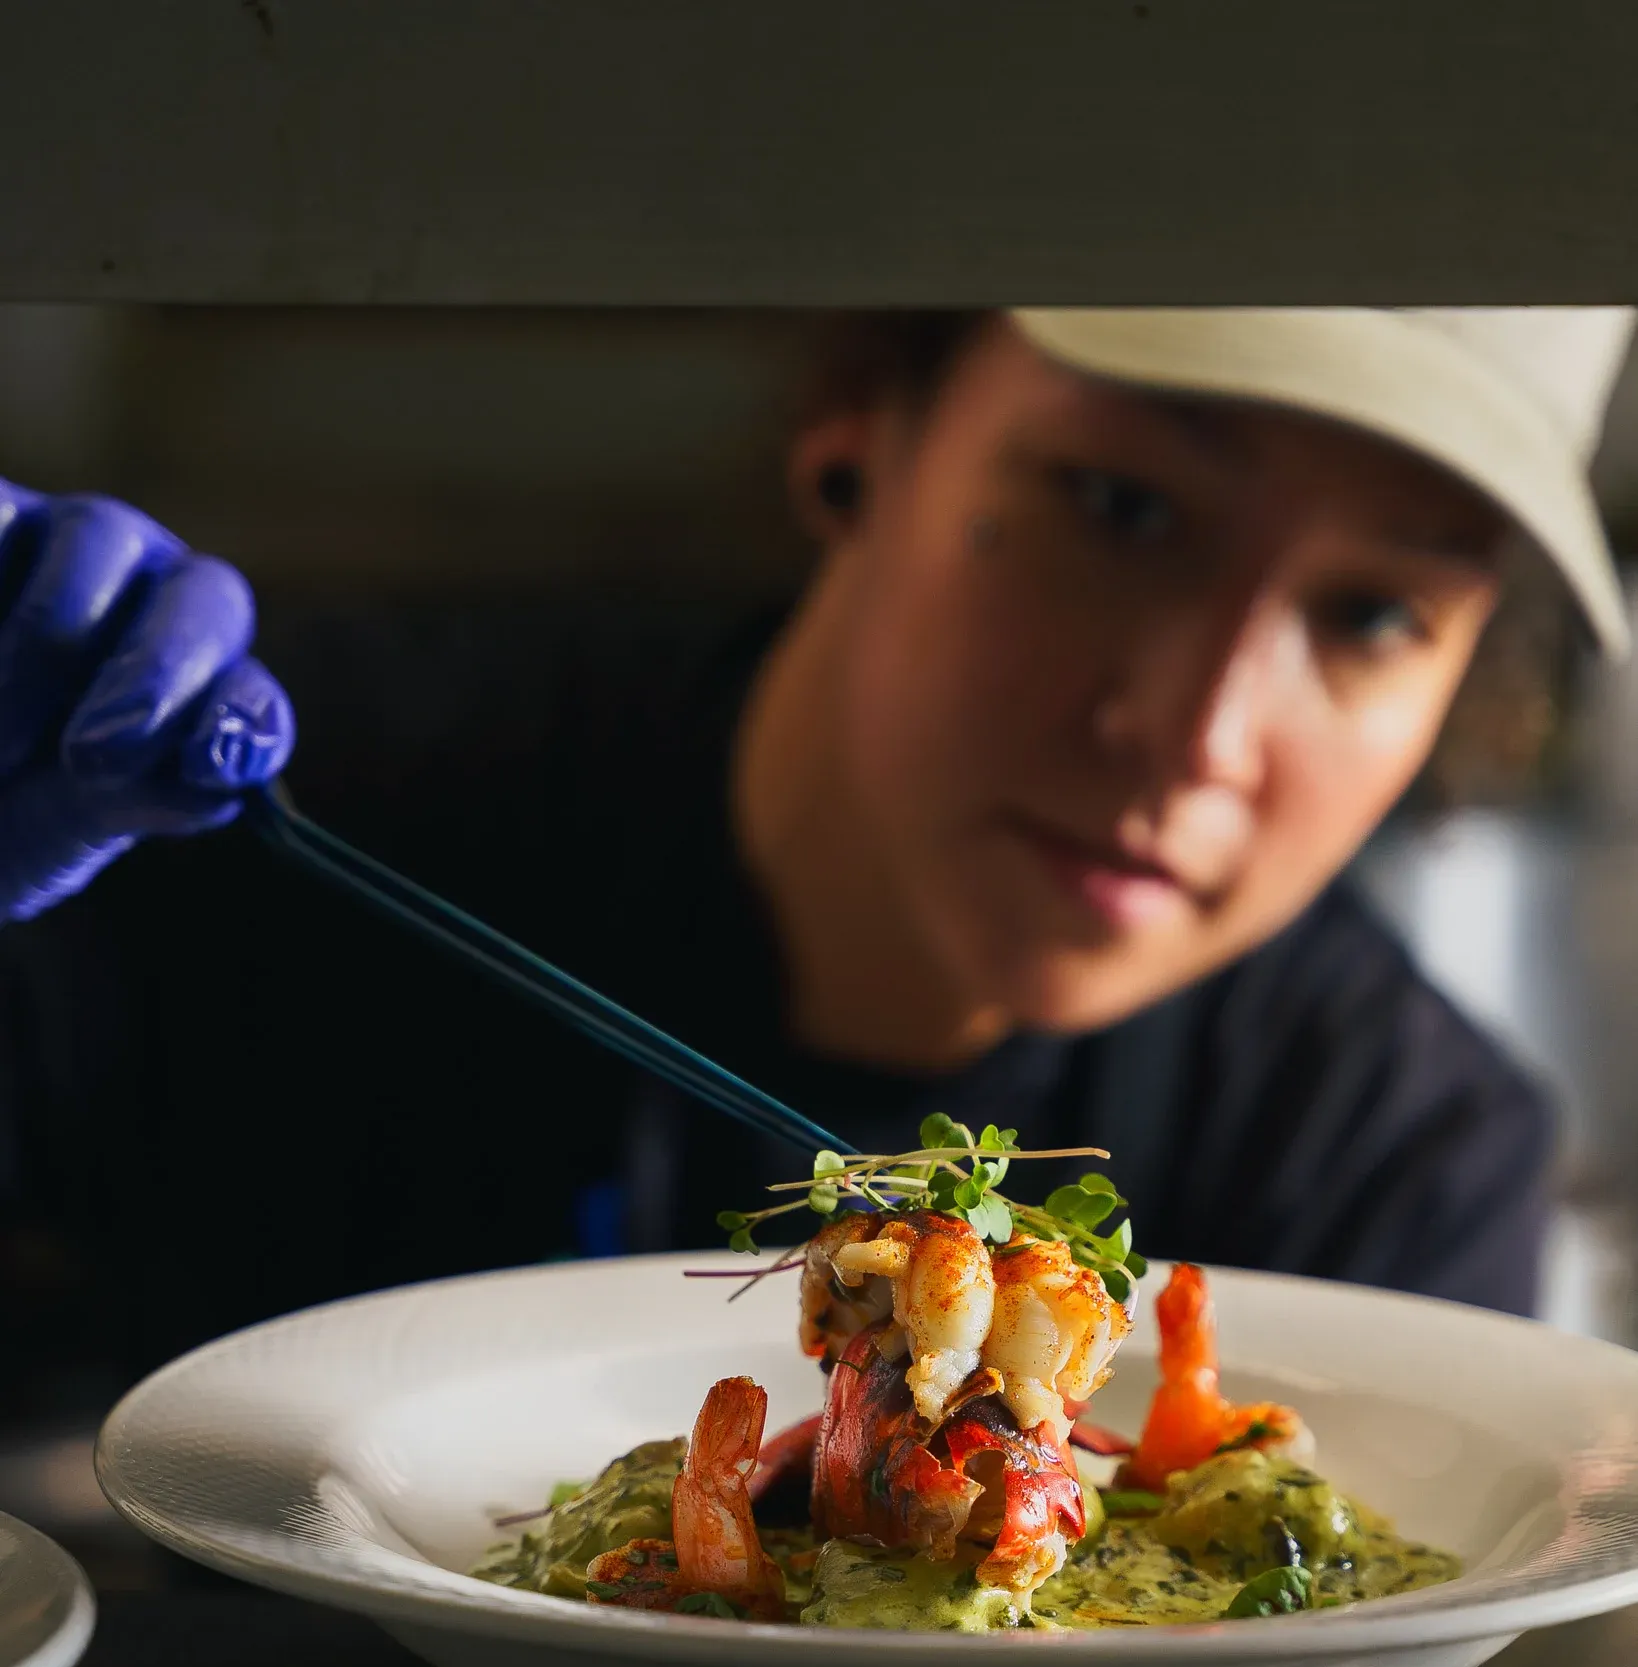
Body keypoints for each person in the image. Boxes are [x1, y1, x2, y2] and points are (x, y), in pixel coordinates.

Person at [0, 307, 1631, 1407]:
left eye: (1369, 614)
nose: (1196, 733)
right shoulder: (239, 830)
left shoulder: (1389, 1156)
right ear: (856, 436)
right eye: (1125, 510)